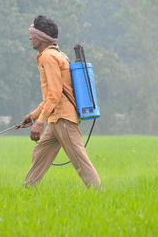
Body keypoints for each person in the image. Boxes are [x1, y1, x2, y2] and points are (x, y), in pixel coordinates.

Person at [21, 15, 101, 190]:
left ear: (41, 37)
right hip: (56, 119)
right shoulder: (57, 53)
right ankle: (28, 191)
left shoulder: (48, 57)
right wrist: (33, 116)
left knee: (80, 161)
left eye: (32, 34)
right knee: (40, 152)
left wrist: (39, 123)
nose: (30, 37)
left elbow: (55, 95)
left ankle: (98, 194)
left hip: (63, 119)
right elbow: (52, 95)